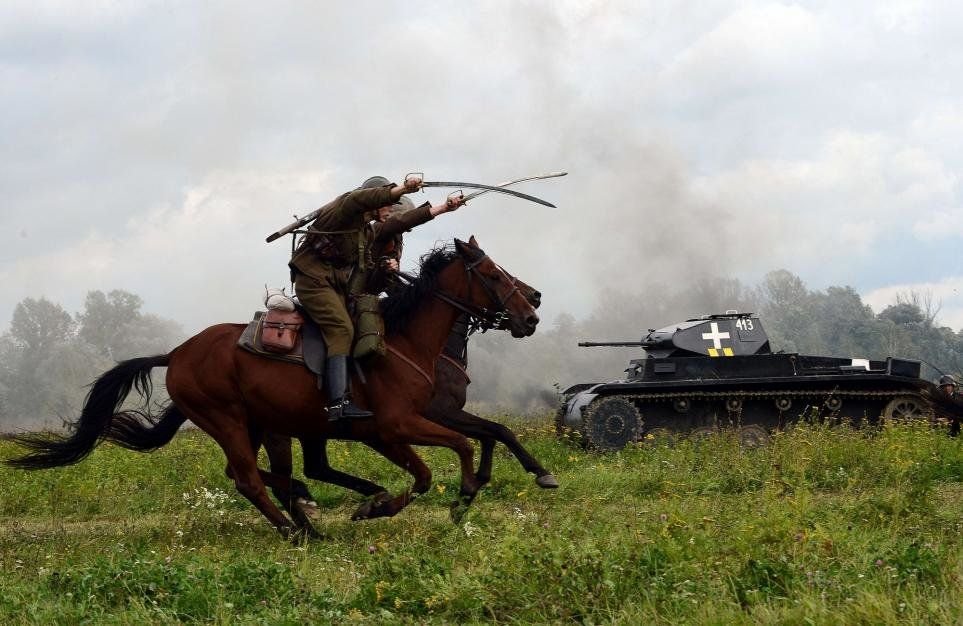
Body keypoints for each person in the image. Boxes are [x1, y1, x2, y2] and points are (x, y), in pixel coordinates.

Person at [289, 174, 464, 420]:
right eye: (388, 204)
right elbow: (367, 199)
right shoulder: (344, 209)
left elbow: (398, 225)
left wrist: (444, 208)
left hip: (332, 285)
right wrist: (404, 188)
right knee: (341, 330)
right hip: (312, 281)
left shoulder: (366, 232)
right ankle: (338, 403)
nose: (392, 209)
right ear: (371, 202)